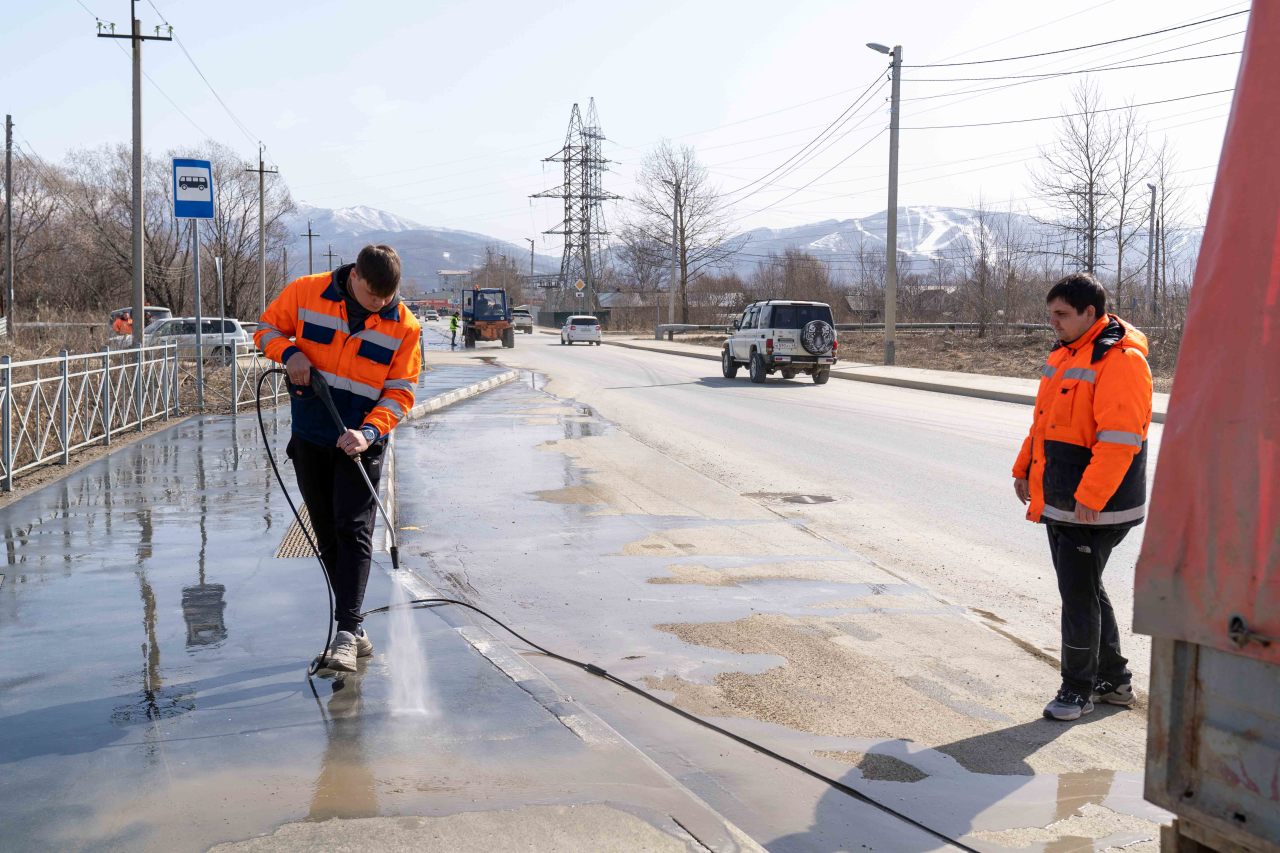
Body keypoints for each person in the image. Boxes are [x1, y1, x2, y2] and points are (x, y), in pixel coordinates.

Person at [255, 245, 422, 672]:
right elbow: (267, 330)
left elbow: (401, 391)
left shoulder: (404, 326)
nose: (380, 305)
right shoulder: (306, 292)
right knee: (327, 534)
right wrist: (289, 353)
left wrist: (368, 432)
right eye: (373, 296)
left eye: (388, 298)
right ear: (354, 278)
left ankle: (346, 633)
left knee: (353, 531)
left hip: (361, 444)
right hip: (311, 436)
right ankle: (356, 630)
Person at [1013, 272, 1153, 721]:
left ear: (1090, 313)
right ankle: (1113, 681)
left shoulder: (1122, 361)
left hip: (1094, 505)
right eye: (1050, 314)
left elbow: (1120, 439)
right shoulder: (1066, 354)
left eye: (1061, 314)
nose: (1052, 322)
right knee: (1085, 587)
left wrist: (1091, 496)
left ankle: (1076, 689)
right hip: (1062, 496)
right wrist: (1024, 470)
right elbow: (1043, 424)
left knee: (1077, 594)